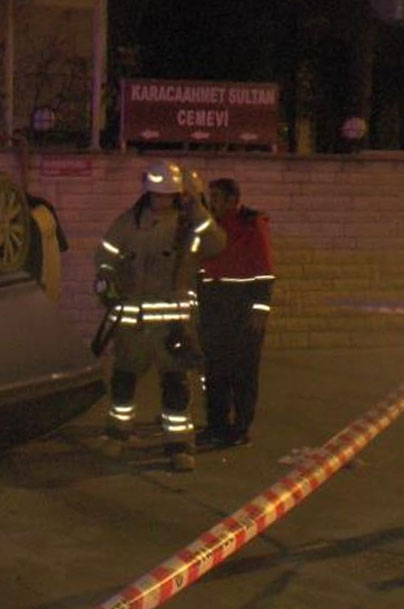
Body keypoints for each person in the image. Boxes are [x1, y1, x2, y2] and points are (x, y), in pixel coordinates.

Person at [93, 160, 226, 472]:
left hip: (172, 325)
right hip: (133, 323)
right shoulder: (128, 222)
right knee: (123, 381)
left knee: (175, 385)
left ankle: (179, 446)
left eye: (167, 195)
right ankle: (117, 435)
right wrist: (104, 278)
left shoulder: (188, 226)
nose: (161, 201)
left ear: (179, 195)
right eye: (156, 195)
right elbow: (106, 255)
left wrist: (198, 211)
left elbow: (216, 244)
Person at [196, 178, 275, 448]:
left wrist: (259, 309)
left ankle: (240, 428)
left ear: (232, 199)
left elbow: (264, 270)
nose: (212, 201)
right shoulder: (210, 226)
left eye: (216, 197)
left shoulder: (252, 225)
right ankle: (216, 426)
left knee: (243, 372)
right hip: (214, 306)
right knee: (215, 370)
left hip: (242, 308)